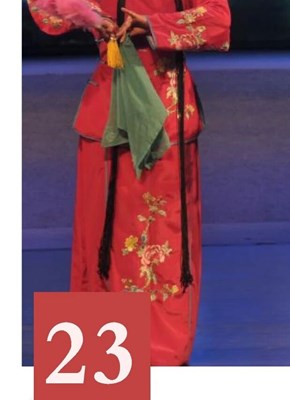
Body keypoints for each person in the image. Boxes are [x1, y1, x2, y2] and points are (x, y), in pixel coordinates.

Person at [26, 0, 231, 365]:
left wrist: (151, 25)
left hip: (164, 113)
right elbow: (47, 12)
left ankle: (152, 353)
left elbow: (218, 22)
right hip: (111, 107)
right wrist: (93, 18)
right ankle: (100, 358)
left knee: (161, 235)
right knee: (102, 235)